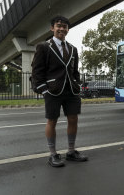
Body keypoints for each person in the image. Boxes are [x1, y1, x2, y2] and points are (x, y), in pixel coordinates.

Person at [31, 15, 88, 167]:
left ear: (68, 30)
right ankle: (53, 154)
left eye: (65, 26)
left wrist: (77, 84)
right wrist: (44, 90)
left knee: (73, 119)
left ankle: (70, 151)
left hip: (72, 91)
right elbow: (37, 72)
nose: (62, 28)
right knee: (52, 121)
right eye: (58, 26)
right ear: (52, 28)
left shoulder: (73, 49)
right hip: (52, 91)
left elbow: (75, 71)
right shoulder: (43, 47)